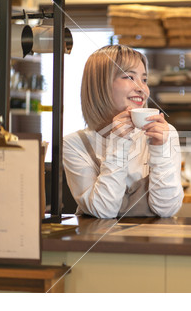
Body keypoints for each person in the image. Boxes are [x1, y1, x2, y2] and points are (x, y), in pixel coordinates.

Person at [63, 45, 183, 219]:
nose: (141, 88)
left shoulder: (164, 133)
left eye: (144, 79)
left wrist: (159, 149)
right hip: (99, 245)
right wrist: (118, 142)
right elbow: (104, 211)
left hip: (153, 243)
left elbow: (167, 209)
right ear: (100, 85)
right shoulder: (75, 144)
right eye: (129, 77)